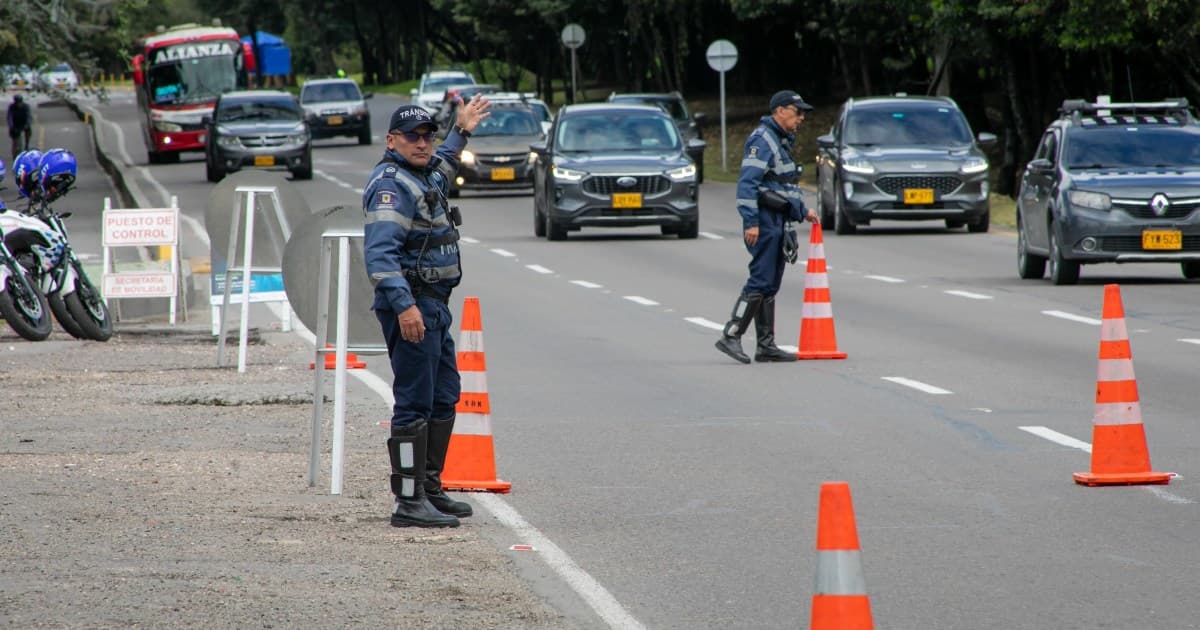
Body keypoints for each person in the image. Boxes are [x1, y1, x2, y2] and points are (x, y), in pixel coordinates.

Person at [363, 94, 491, 528]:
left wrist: (463, 127)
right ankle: (408, 501)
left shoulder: (423, 174)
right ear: (392, 140)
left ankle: (430, 488)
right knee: (414, 404)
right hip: (413, 306)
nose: (423, 143)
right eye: (412, 136)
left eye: (428, 135)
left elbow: (447, 161)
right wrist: (405, 308)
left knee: (443, 396)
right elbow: (380, 256)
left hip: (434, 306)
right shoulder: (390, 186)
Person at [715, 90, 819, 364]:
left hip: (778, 221)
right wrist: (751, 222)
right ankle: (732, 335)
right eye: (798, 112)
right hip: (764, 220)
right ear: (781, 110)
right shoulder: (762, 140)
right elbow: (748, 183)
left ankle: (766, 345)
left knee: (770, 284)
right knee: (760, 280)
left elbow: (781, 185)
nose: (802, 118)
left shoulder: (779, 140)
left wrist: (802, 211)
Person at [7, 94, 32, 161]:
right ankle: (15, 154)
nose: (19, 105)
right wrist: (12, 126)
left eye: (20, 103)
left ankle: (27, 145)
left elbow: (29, 117)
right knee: (15, 140)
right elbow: (10, 117)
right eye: (17, 103)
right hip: (15, 124)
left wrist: (27, 125)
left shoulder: (26, 106)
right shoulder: (11, 107)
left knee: (28, 131)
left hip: (24, 122)